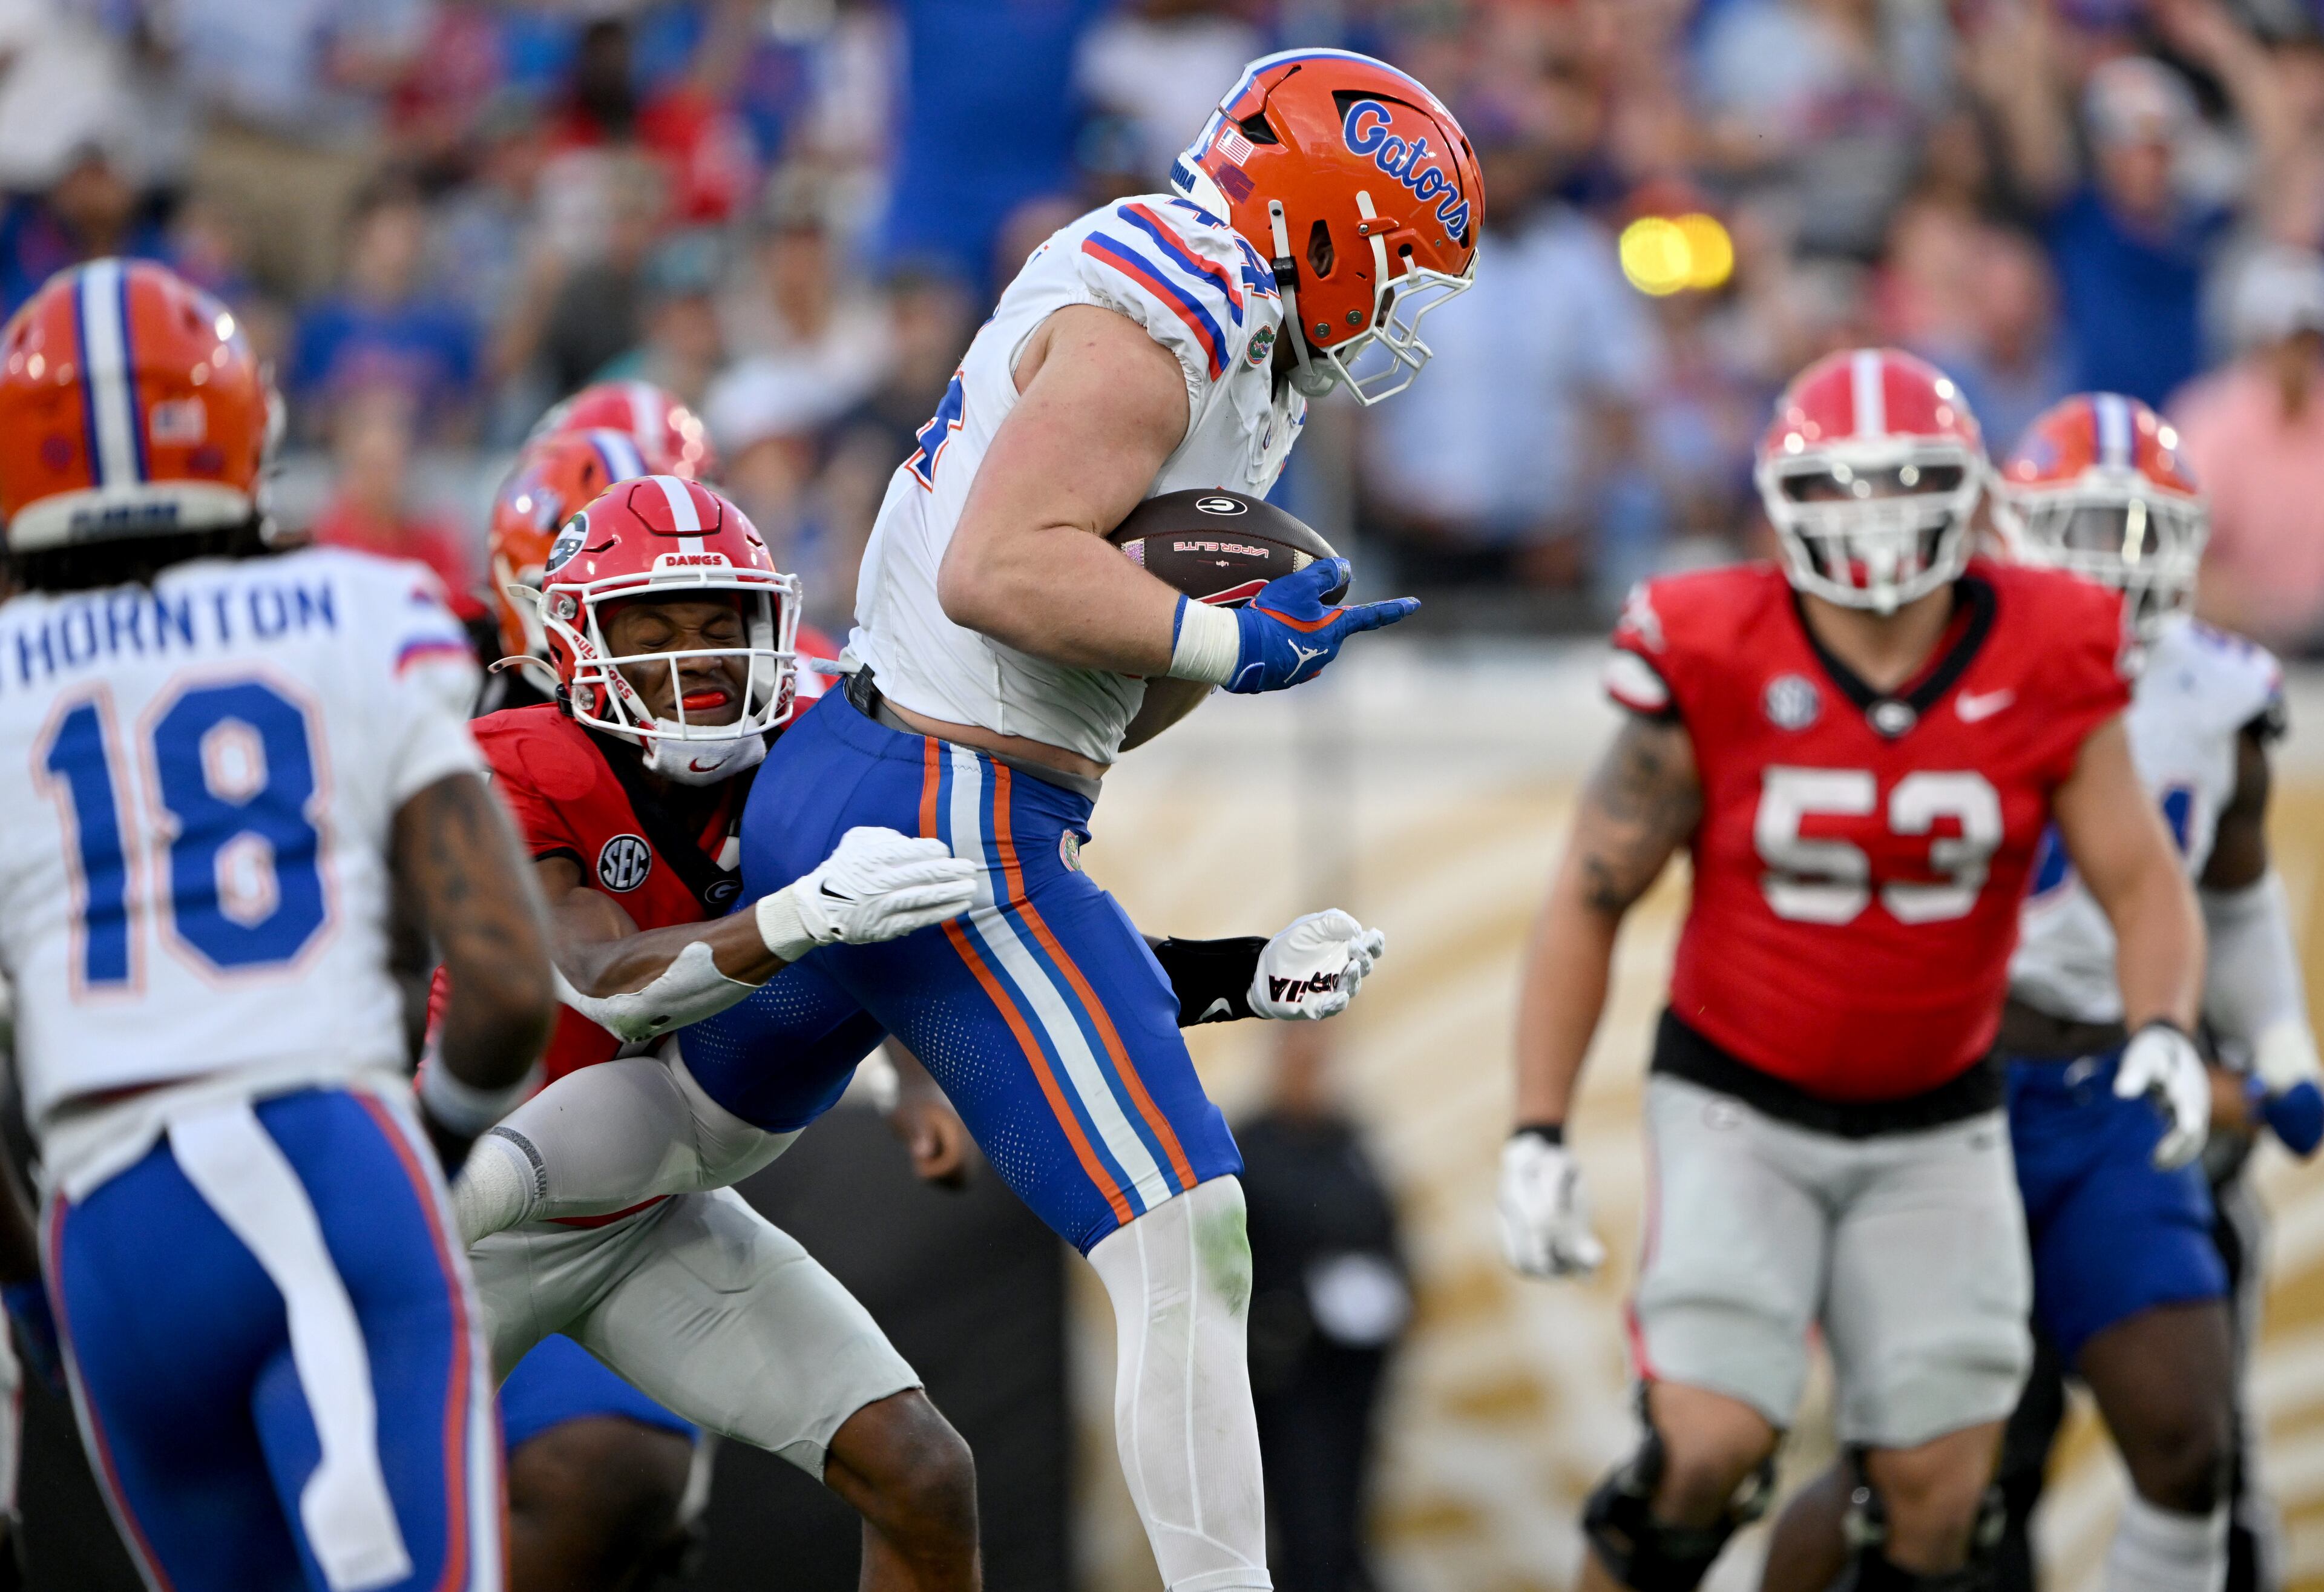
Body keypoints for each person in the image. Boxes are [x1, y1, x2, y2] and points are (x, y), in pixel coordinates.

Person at [449, 49, 1469, 1591]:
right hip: (944, 802)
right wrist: (1221, 637)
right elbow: (1003, 569)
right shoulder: (1173, 306)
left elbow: (1091, 736)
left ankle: (485, 1223)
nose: (1401, 315)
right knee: (1189, 1229)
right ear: (1327, 221)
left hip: (923, 812)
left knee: (725, 1207)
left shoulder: (1226, 329)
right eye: (1399, 264)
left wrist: (1235, 681)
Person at [1498, 348, 2207, 1592]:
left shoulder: (2047, 643)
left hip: (1941, 1111)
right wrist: (1537, 1129)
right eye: (1842, 489)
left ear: (1971, 493)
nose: (1876, 521)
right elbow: (1590, 893)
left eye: (1911, 482)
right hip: (1739, 1098)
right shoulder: (1713, 642)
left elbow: (2142, 878)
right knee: (1706, 1447)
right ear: (1782, 501)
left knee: (1940, 1499)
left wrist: (2162, 1022)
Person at [0, 258, 557, 1590]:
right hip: (314, 1148)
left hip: (102, 1229)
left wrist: (37, 1286)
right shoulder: (358, 610)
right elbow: (502, 981)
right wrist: (426, 1147)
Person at [1754, 392, 2324, 1592]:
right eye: (2086, 527)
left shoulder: (2218, 693)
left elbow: (2235, 888)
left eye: (2141, 533)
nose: (2114, 567)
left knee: (2187, 1436)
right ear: (2010, 525)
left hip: (2116, 1085)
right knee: (1915, 1473)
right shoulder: (1933, 648)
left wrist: (2279, 1039)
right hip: (1952, 1097)